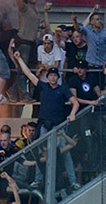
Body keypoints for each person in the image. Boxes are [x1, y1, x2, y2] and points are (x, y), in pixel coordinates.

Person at [12, 57, 80, 190]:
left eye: (55, 76)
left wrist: (72, 114)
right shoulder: (43, 87)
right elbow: (28, 74)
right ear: (47, 77)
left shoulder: (63, 89)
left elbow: (75, 103)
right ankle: (38, 180)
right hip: (44, 125)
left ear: (58, 78)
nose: (53, 78)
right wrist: (19, 59)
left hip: (58, 126)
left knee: (65, 153)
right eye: (51, 75)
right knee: (41, 154)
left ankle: (73, 181)